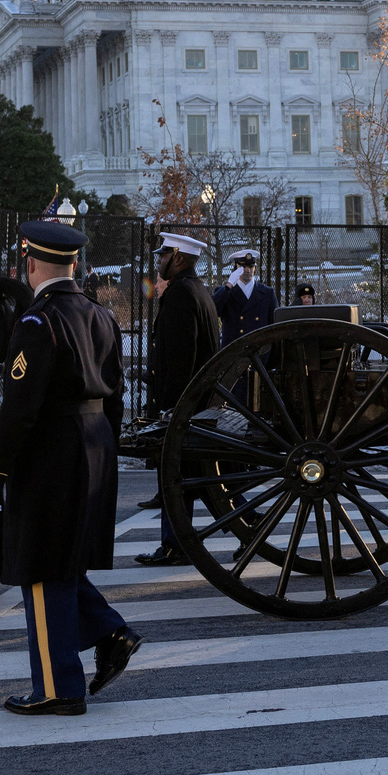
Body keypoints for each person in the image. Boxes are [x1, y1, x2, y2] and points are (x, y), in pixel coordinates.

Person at [0, 220, 140, 716]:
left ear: (29, 265)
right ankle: (109, 631)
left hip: (51, 453)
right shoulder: (100, 315)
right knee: (61, 555)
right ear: (75, 265)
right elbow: (116, 396)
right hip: (95, 445)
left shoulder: (36, 323)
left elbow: (19, 411)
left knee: (42, 564)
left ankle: (58, 686)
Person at [135, 232, 220, 565]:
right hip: (197, 402)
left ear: (179, 259)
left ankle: (174, 544)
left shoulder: (181, 294)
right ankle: (178, 541)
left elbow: (182, 358)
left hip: (184, 404)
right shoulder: (198, 290)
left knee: (174, 476)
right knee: (188, 475)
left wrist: (170, 408)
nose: (158, 262)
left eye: (163, 256)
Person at [213, 248, 278, 346]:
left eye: (251, 266)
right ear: (236, 267)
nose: (248, 270)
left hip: (259, 351)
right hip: (234, 351)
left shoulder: (267, 293)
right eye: (243, 267)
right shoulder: (226, 292)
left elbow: (274, 325)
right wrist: (229, 285)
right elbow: (213, 311)